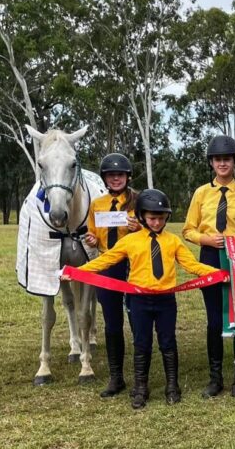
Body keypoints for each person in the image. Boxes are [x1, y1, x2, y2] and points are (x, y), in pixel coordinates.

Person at [68, 189, 219, 409]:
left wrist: (218, 273)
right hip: (139, 302)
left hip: (166, 301)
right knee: (141, 343)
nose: (156, 222)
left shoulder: (173, 241)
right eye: (151, 218)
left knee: (168, 342)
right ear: (141, 217)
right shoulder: (130, 241)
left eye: (160, 218)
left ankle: (172, 385)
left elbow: (192, 265)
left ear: (166, 217)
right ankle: (140, 387)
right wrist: (76, 271)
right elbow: (106, 260)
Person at [183, 135, 235, 399]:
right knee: (214, 318)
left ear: (234, 161)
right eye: (218, 159)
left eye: (227, 159)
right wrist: (206, 238)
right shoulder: (201, 194)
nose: (222, 163)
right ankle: (215, 377)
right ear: (211, 163)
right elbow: (188, 230)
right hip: (210, 256)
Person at [83, 153, 141, 398]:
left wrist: (139, 228)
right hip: (108, 262)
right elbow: (93, 233)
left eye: (120, 174)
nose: (115, 178)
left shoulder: (138, 200)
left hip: (135, 263)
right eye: (110, 175)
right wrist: (92, 238)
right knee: (112, 322)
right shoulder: (97, 204)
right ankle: (116, 376)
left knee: (138, 319)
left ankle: (141, 376)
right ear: (105, 178)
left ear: (127, 176)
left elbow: (154, 226)